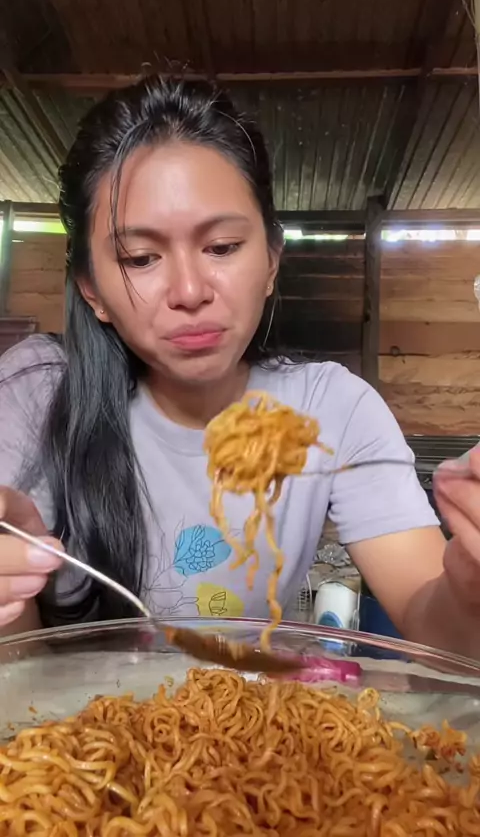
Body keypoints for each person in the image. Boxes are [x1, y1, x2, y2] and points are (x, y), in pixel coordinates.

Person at [1, 76, 480, 657]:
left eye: (222, 247)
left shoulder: (333, 410)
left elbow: (439, 627)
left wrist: (470, 583)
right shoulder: (35, 393)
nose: (189, 291)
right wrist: (11, 600)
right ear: (92, 290)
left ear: (272, 260)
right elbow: (19, 675)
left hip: (253, 713)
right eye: (141, 258)